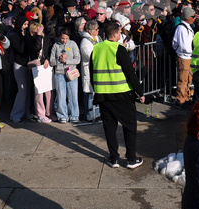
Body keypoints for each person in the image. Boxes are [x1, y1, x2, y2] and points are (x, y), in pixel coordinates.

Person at [91, 19, 145, 169]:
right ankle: (131, 159)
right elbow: (130, 73)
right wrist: (139, 92)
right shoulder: (119, 49)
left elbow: (91, 72)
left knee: (109, 128)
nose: (121, 35)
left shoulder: (96, 48)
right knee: (129, 127)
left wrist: (97, 88)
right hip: (122, 94)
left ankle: (113, 158)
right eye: (120, 33)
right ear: (115, 35)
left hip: (103, 94)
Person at [49, 28, 81, 123]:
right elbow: (51, 61)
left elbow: (77, 59)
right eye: (63, 38)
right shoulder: (56, 45)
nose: (64, 40)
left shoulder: (73, 44)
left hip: (71, 73)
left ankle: (74, 115)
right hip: (59, 73)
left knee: (73, 94)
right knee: (61, 95)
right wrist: (59, 59)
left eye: (66, 38)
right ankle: (62, 115)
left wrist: (67, 61)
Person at [172, 6, 196, 104]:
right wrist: (192, 51)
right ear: (188, 17)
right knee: (182, 80)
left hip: (189, 57)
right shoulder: (182, 28)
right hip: (184, 57)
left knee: (188, 79)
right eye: (193, 16)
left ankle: (186, 97)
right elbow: (184, 46)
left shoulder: (188, 27)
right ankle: (181, 100)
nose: (194, 18)